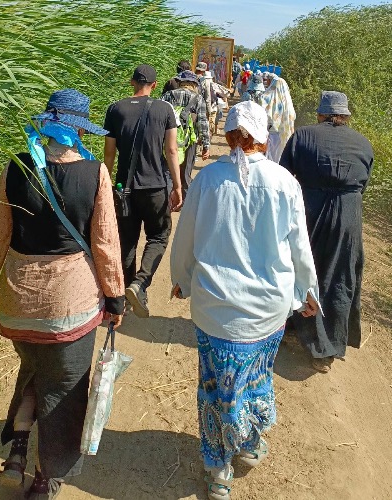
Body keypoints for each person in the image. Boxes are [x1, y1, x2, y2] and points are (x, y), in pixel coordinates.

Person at [0, 89, 125, 500]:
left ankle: (17, 453)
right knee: (65, 390)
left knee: (35, 369)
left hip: (18, 304)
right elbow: (106, 243)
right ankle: (44, 479)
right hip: (69, 308)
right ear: (78, 131)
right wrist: (116, 299)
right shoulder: (95, 174)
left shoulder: (16, 168)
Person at [169, 101, 320, 500]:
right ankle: (249, 443)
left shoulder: (208, 180)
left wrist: (181, 280)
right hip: (268, 311)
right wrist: (307, 291)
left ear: (232, 134)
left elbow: (185, 237)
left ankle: (219, 469)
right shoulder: (285, 181)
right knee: (255, 376)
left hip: (216, 310)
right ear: (263, 135)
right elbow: (299, 246)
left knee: (217, 387)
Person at [279, 90, 374, 373]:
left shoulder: (303, 136)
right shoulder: (364, 143)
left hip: (309, 211)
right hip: (348, 217)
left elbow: (284, 178)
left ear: (321, 114)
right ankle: (327, 349)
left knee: (302, 268)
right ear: (345, 116)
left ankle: (294, 326)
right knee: (338, 277)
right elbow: (363, 185)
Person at [103, 64, 183, 318]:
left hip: (123, 189)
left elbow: (109, 154)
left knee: (126, 241)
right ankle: (140, 283)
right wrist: (178, 185)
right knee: (158, 236)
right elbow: (171, 150)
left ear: (132, 82)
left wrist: (104, 185)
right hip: (155, 186)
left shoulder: (115, 109)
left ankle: (126, 296)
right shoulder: (164, 108)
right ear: (154, 85)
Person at [161, 70, 211, 199]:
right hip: (190, 141)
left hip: (168, 139)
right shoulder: (198, 98)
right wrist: (206, 144)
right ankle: (183, 201)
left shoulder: (168, 95)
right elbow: (203, 123)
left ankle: (167, 200)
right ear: (194, 84)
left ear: (180, 83)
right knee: (186, 172)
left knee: (168, 171)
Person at [261, 72, 296, 162]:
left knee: (268, 160)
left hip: (269, 135)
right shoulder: (288, 104)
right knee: (279, 159)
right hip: (284, 135)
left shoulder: (266, 98)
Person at [195, 61, 216, 135]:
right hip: (200, 108)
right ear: (204, 70)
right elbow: (207, 98)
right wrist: (209, 112)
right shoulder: (205, 81)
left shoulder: (190, 78)